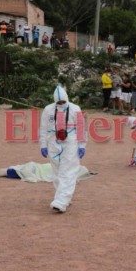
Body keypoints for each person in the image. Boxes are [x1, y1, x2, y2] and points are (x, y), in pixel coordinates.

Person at [39, 85, 86, 213]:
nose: (61, 104)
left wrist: (82, 145)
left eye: (63, 102)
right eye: (58, 102)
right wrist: (43, 145)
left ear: (67, 99)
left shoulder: (75, 109)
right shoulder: (48, 109)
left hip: (71, 141)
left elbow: (81, 128)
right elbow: (43, 128)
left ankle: (61, 201)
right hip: (53, 141)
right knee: (57, 172)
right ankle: (65, 198)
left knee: (68, 171)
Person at [0, 161, 95, 183]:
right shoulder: (63, 167)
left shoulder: (65, 173)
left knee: (7, 171)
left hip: (34, 171)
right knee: (12, 168)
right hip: (35, 167)